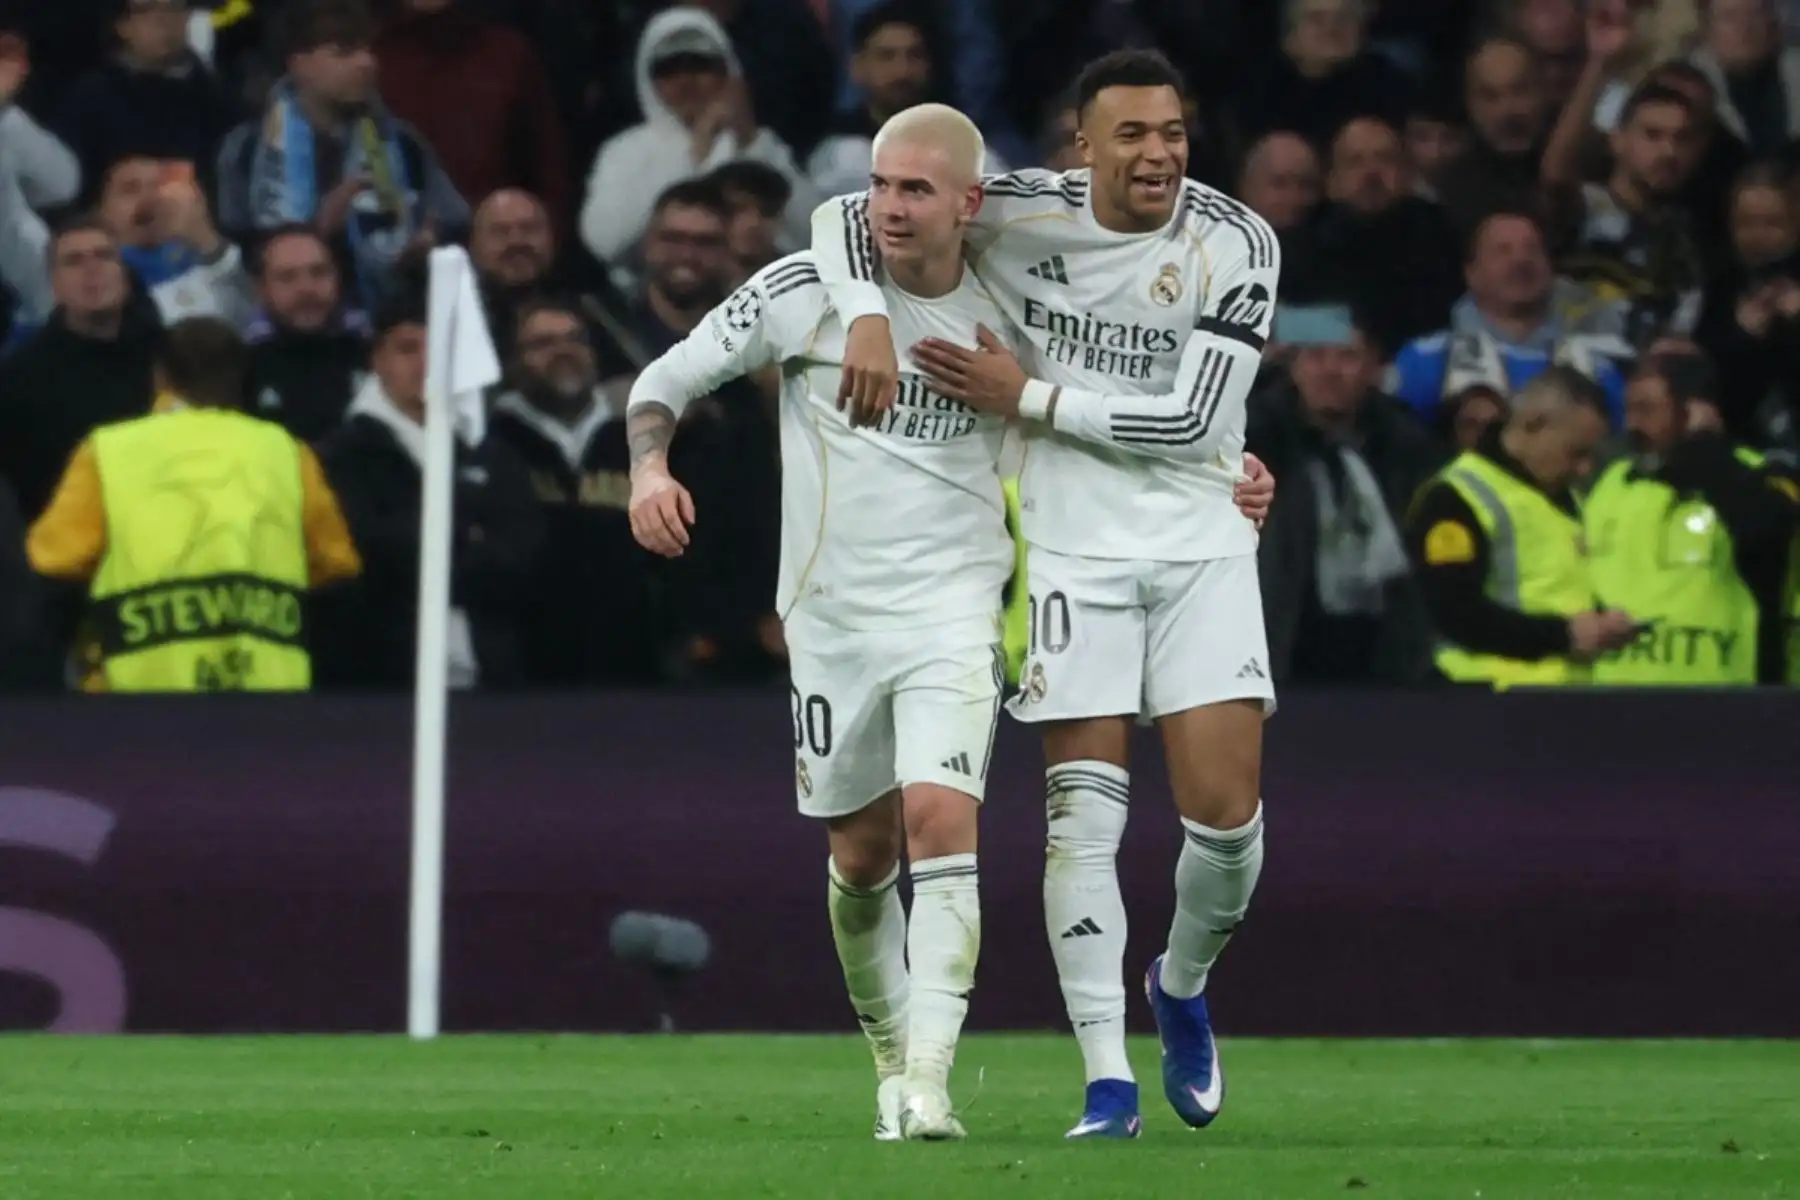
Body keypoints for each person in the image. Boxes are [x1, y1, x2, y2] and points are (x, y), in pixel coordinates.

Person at [629, 102, 1274, 1142]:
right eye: (882, 186)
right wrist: (648, 467)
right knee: (860, 858)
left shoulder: (1003, 316)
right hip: (831, 621)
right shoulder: (810, 292)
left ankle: (929, 1084)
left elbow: (1091, 421)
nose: (889, 205)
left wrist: (1225, 476)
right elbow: (667, 379)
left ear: (969, 205)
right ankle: (890, 1051)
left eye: (916, 189)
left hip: (958, 612)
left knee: (943, 826)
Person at [810, 50, 1281, 1138]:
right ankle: (1107, 1082)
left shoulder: (1235, 241)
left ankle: (1183, 980)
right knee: (1080, 826)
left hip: (1203, 538)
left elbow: (1196, 425)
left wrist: (1028, 396)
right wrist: (866, 317)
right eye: (1132, 134)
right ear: (1082, 145)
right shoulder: (1022, 211)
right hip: (1069, 551)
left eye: (1172, 132)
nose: (1157, 152)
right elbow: (848, 215)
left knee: (1226, 825)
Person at [23, 317, 361, 691]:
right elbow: (334, 562)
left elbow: (53, 560)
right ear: (239, 378)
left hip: (136, 696)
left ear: (160, 377)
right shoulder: (286, 451)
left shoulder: (108, 450)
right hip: (266, 692)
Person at [1406, 366, 1638, 687]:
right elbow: (1454, 612)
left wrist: (1601, 621)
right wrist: (1564, 635)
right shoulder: (1456, 497)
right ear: (1534, 425)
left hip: (1564, 697)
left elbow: (1555, 591)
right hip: (1488, 698)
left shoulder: (1565, 499)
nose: (1584, 468)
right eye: (1576, 452)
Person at [1585, 352, 1800, 685]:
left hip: (1727, 703)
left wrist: (1703, 446)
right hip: (1612, 701)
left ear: (1695, 411)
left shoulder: (1758, 478)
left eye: (1646, 410)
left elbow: (1766, 534)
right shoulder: (1611, 482)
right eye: (1628, 411)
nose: (1631, 425)